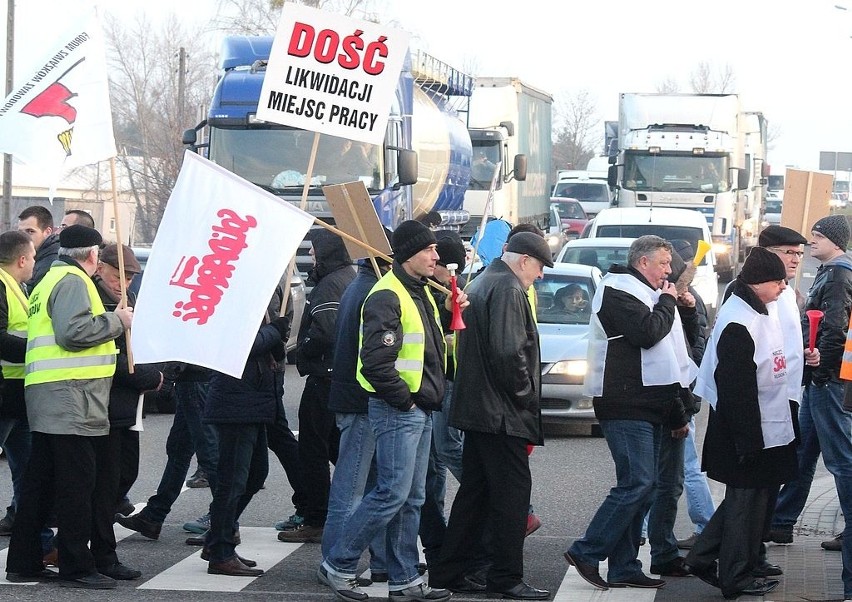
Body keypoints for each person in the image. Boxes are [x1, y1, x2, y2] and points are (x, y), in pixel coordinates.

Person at [319, 219, 467, 602]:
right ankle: (340, 564)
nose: (437, 256)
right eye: (429, 249)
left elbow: (434, 352)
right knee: (390, 493)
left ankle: (404, 580)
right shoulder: (388, 295)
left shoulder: (415, 291)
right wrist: (407, 400)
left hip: (417, 409)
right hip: (399, 409)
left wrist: (450, 316)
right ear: (408, 255)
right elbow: (376, 362)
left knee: (411, 497)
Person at [5, 225, 136, 588]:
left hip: (50, 395)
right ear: (93, 255)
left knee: (40, 486)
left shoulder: (48, 278)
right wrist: (117, 321)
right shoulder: (74, 282)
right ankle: (77, 566)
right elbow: (73, 333)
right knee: (77, 486)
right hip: (72, 399)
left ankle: (24, 561)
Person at [563, 235, 696, 591]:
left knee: (646, 487)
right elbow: (649, 334)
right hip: (624, 403)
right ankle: (587, 551)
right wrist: (667, 302)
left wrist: (682, 306)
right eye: (664, 264)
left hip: (652, 404)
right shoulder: (618, 291)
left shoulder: (652, 294)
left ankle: (624, 566)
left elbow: (678, 352)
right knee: (637, 482)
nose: (668, 272)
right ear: (643, 263)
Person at [429, 232, 553, 601]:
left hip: (478, 409)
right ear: (525, 260)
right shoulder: (509, 289)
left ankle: (448, 571)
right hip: (501, 413)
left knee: (475, 496)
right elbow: (508, 353)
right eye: (540, 266)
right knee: (513, 498)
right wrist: (525, 396)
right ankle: (506, 577)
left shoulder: (485, 281)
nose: (541, 276)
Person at [685, 247, 795, 599]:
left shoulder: (757, 309)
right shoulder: (739, 321)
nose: (782, 287)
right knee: (743, 509)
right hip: (745, 430)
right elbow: (737, 389)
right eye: (778, 281)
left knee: (746, 505)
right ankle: (735, 576)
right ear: (760, 282)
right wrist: (748, 441)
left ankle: (703, 557)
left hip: (763, 424)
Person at [768, 215, 852, 600]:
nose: (811, 240)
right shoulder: (830, 270)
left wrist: (822, 369)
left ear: (836, 240)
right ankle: (781, 521)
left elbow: (834, 325)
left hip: (829, 381)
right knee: (803, 450)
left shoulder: (837, 274)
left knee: (840, 461)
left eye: (818, 235)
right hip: (827, 379)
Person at [202, 287, 290, 577]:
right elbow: (243, 345)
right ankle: (221, 550)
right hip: (237, 402)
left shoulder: (253, 304)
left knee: (254, 475)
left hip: (254, 401)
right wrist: (274, 333)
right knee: (233, 481)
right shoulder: (231, 303)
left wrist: (277, 337)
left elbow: (267, 350)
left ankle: (218, 539)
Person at [320, 248, 393, 584]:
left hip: (358, 400)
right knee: (352, 490)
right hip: (361, 402)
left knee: (374, 488)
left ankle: (379, 560)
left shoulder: (359, 285)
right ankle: (334, 562)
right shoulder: (371, 290)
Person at [278, 229, 354, 544]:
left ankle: (316, 519)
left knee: (313, 450)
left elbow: (325, 331)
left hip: (325, 376)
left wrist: (303, 349)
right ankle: (340, 511)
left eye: (314, 253)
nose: (310, 258)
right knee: (339, 447)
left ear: (325, 255)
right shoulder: (350, 276)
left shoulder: (329, 285)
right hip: (343, 376)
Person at [645, 246, 706, 578]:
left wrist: (688, 310)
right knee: (645, 482)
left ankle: (664, 550)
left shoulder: (683, 299)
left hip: (678, 403)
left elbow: (691, 349)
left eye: (670, 267)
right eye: (662, 266)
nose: (666, 273)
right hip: (661, 406)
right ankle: (599, 548)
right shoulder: (648, 299)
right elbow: (662, 354)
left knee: (673, 481)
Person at [92, 244, 163, 517]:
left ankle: (110, 508)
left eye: (130, 277)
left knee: (127, 471)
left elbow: (141, 345)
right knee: (107, 475)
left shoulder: (131, 298)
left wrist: (156, 371)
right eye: (118, 276)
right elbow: (108, 354)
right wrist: (144, 376)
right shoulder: (92, 297)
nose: (124, 284)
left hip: (129, 403)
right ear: (100, 269)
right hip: (105, 399)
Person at [116, 361, 217, 540]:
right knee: (179, 449)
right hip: (193, 378)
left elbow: (186, 342)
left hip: (196, 376)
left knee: (208, 453)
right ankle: (153, 516)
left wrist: (169, 376)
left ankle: (225, 524)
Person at [0, 231, 36, 537]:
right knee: (26, 470)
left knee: (28, 472)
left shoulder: (17, 286)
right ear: (21, 259)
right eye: (33, 256)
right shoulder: (2, 285)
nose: (35, 262)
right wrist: (37, 349)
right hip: (4, 393)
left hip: (16, 395)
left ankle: (34, 541)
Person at [17, 205, 59, 290]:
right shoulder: (34, 255)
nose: (23, 237)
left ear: (47, 232)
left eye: (30, 231)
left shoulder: (52, 261)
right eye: (20, 232)